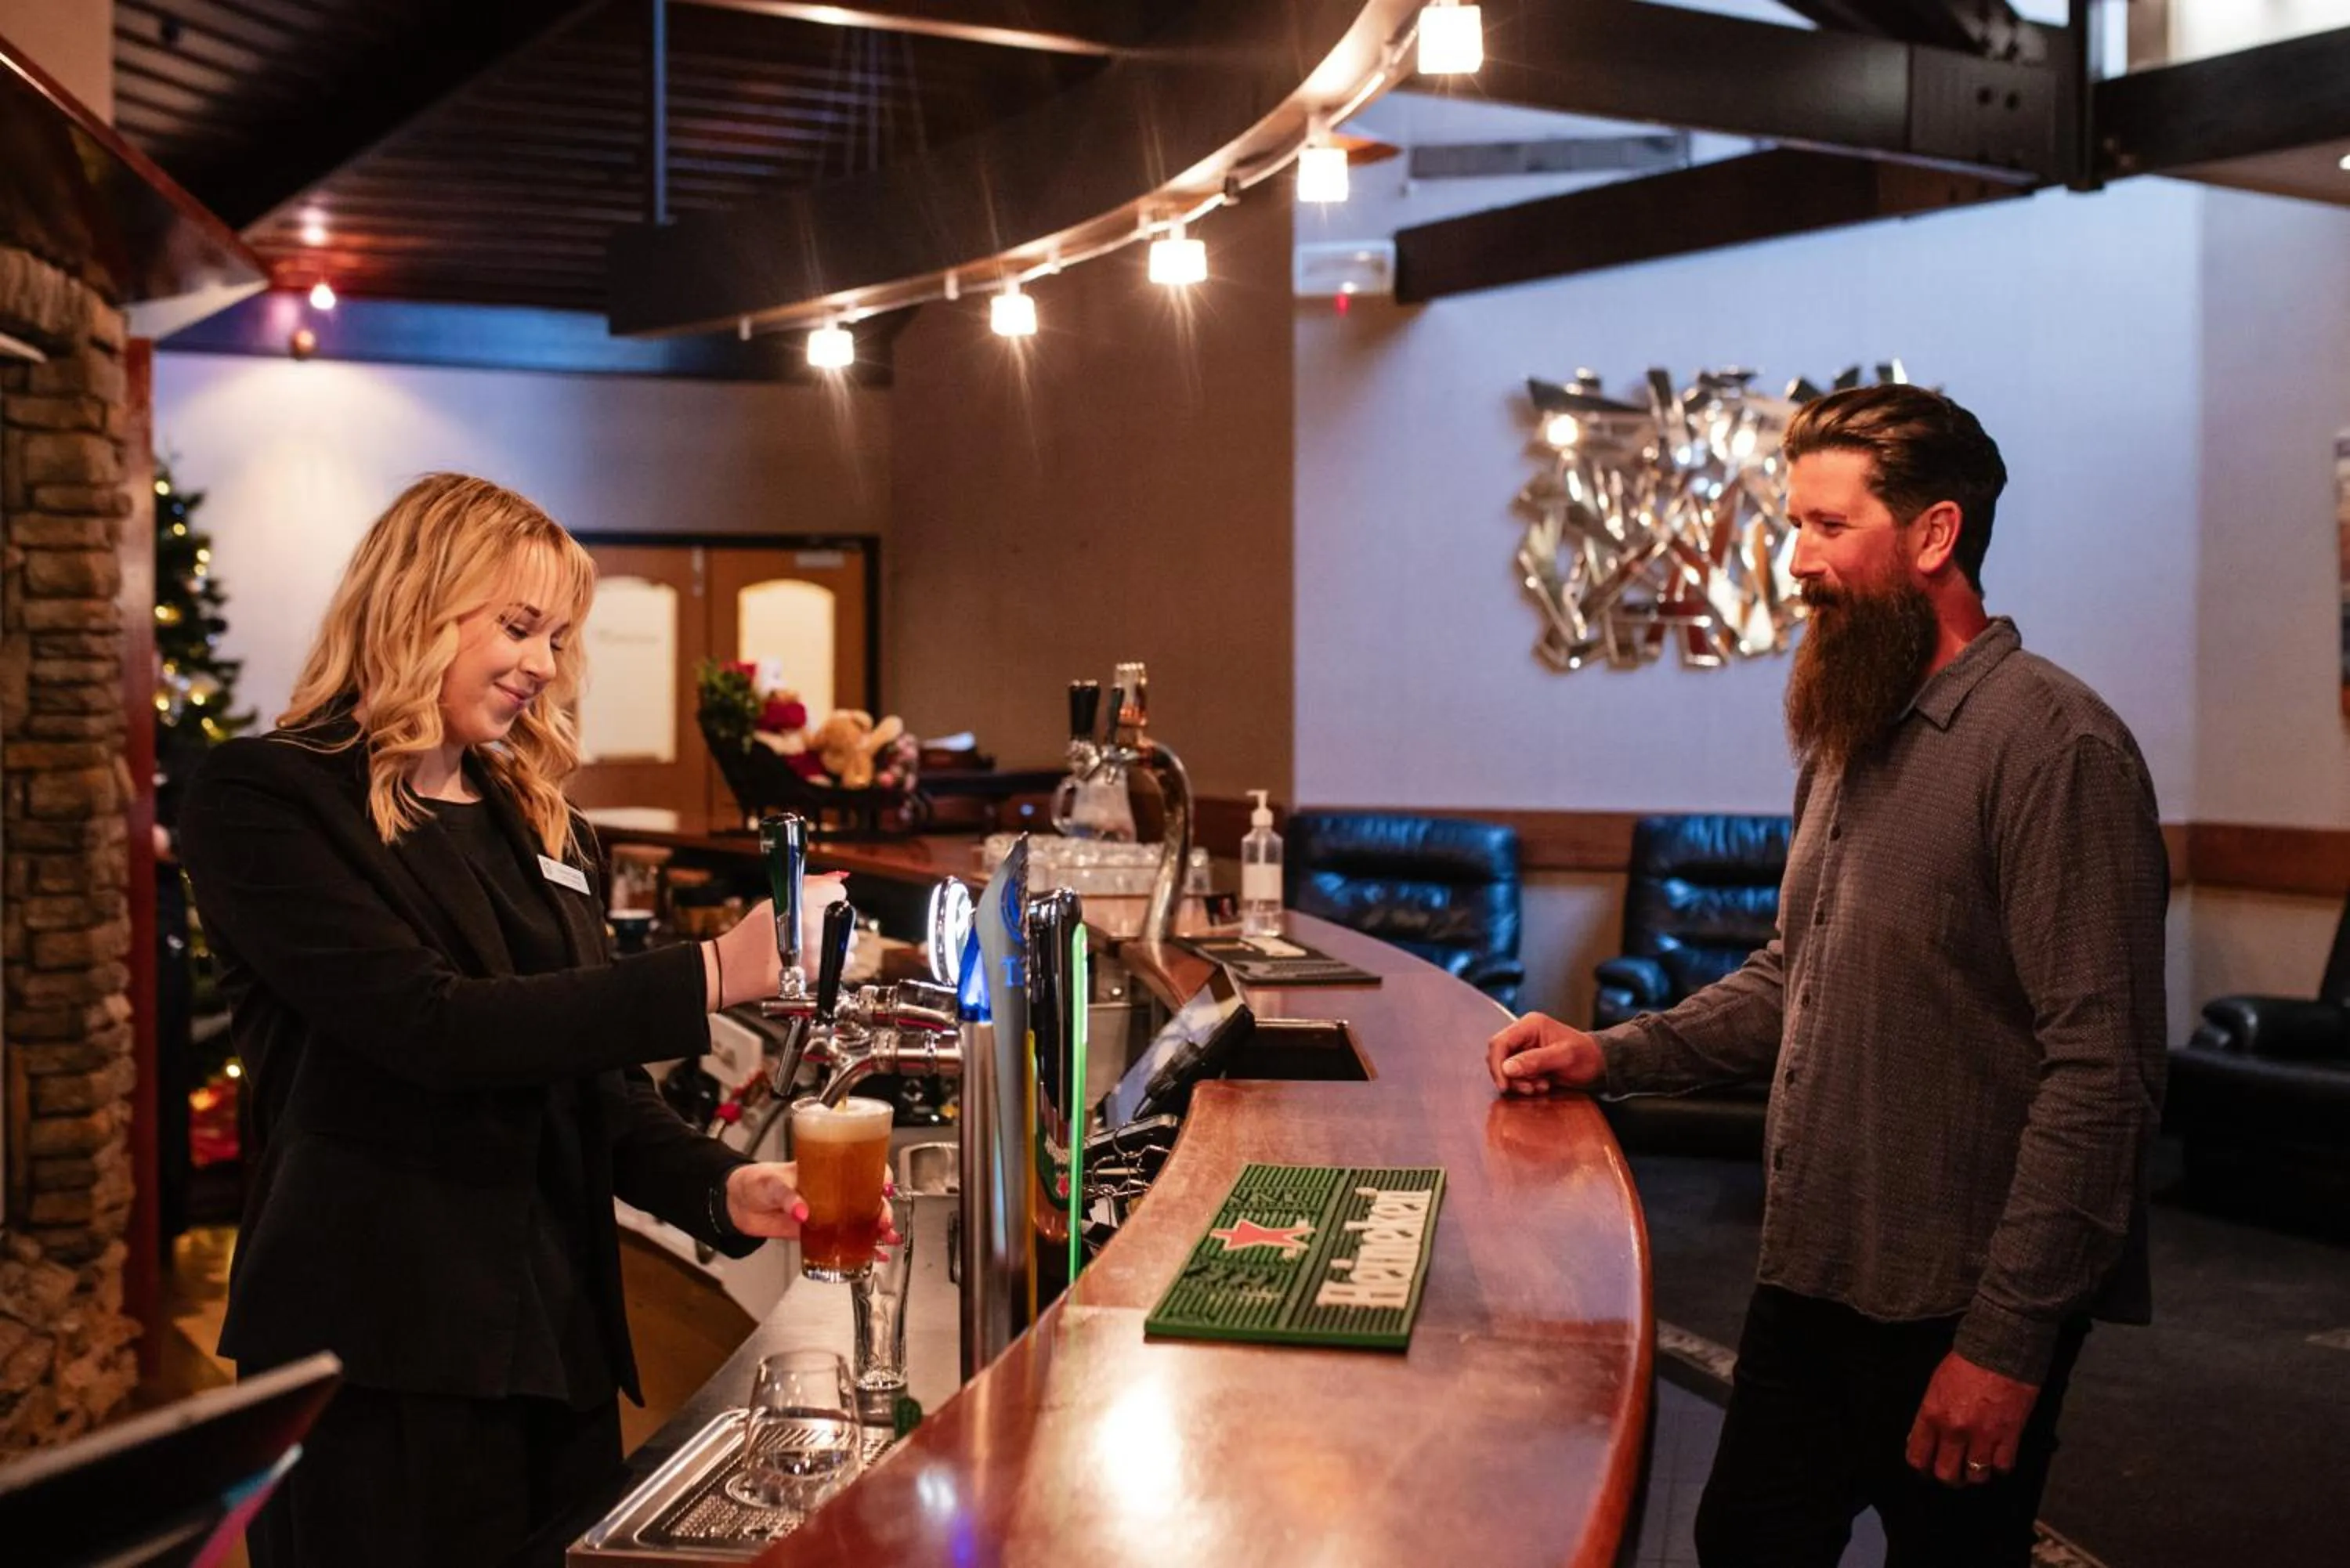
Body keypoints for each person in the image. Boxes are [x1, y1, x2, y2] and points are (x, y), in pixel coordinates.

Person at [1485, 386, 2167, 1568]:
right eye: (1792, 524)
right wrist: (1616, 1053)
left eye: (1827, 527)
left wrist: (2005, 1344)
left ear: (1935, 535)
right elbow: (1796, 974)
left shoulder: (2058, 747)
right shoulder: (1852, 731)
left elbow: (2102, 1077)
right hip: (1811, 1278)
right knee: (1744, 1538)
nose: (1794, 561)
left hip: (1957, 1304)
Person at [178, 474, 856, 1567]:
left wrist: (714, 1183)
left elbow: (591, 1074)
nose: (543, 664)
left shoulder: (541, 819)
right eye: (519, 625)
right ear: (416, 602)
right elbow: (433, 1027)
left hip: (557, 1337)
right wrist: (715, 969)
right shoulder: (267, 797)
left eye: (557, 636)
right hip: (381, 1349)